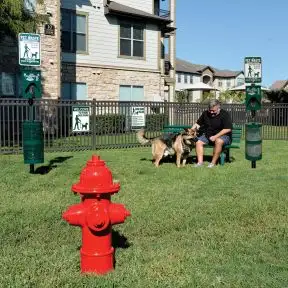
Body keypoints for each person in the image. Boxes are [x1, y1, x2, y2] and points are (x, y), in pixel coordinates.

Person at [191, 99, 232, 168]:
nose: (211, 112)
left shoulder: (225, 114)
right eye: (210, 110)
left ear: (219, 108)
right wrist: (191, 130)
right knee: (198, 142)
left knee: (218, 141)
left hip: (224, 136)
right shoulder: (205, 113)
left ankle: (212, 163)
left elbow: (228, 129)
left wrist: (215, 136)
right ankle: (200, 163)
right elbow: (198, 124)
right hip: (208, 136)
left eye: (214, 111)